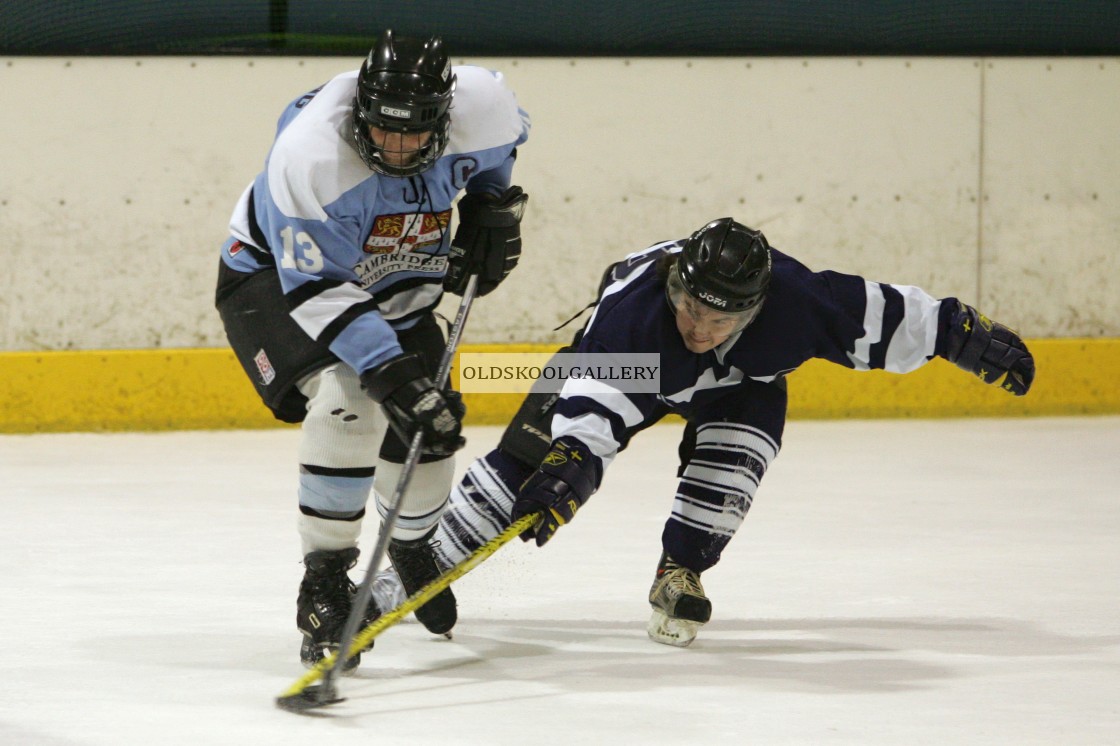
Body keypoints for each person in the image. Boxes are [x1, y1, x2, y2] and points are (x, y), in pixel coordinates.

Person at [371, 217, 1034, 648]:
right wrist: (570, 459)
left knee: (733, 467)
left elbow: (882, 316)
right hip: (627, 367)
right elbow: (595, 400)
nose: (699, 327)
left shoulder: (797, 304)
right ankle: (393, 581)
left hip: (739, 385)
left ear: (756, 306)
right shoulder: (632, 315)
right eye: (690, 308)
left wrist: (960, 334)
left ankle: (680, 568)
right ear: (675, 285)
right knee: (528, 464)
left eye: (720, 318)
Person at [214, 29, 530, 671]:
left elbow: (499, 158)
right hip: (275, 281)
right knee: (355, 395)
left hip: (394, 280)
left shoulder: (485, 107)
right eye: (384, 132)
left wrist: (491, 208)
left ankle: (413, 549)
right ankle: (324, 582)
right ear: (361, 112)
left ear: (444, 118)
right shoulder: (310, 160)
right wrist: (391, 376)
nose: (398, 147)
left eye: (416, 134)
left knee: (432, 426)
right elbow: (322, 290)